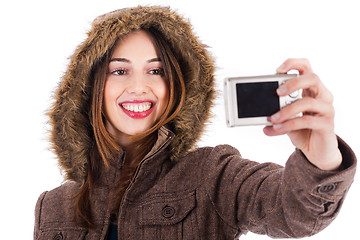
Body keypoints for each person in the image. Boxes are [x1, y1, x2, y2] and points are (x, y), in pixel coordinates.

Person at [34, 5, 357, 240]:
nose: (138, 87)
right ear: (90, 88)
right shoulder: (53, 207)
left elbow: (294, 214)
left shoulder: (213, 175)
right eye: (119, 71)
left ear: (175, 85)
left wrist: (321, 160)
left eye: (156, 71)